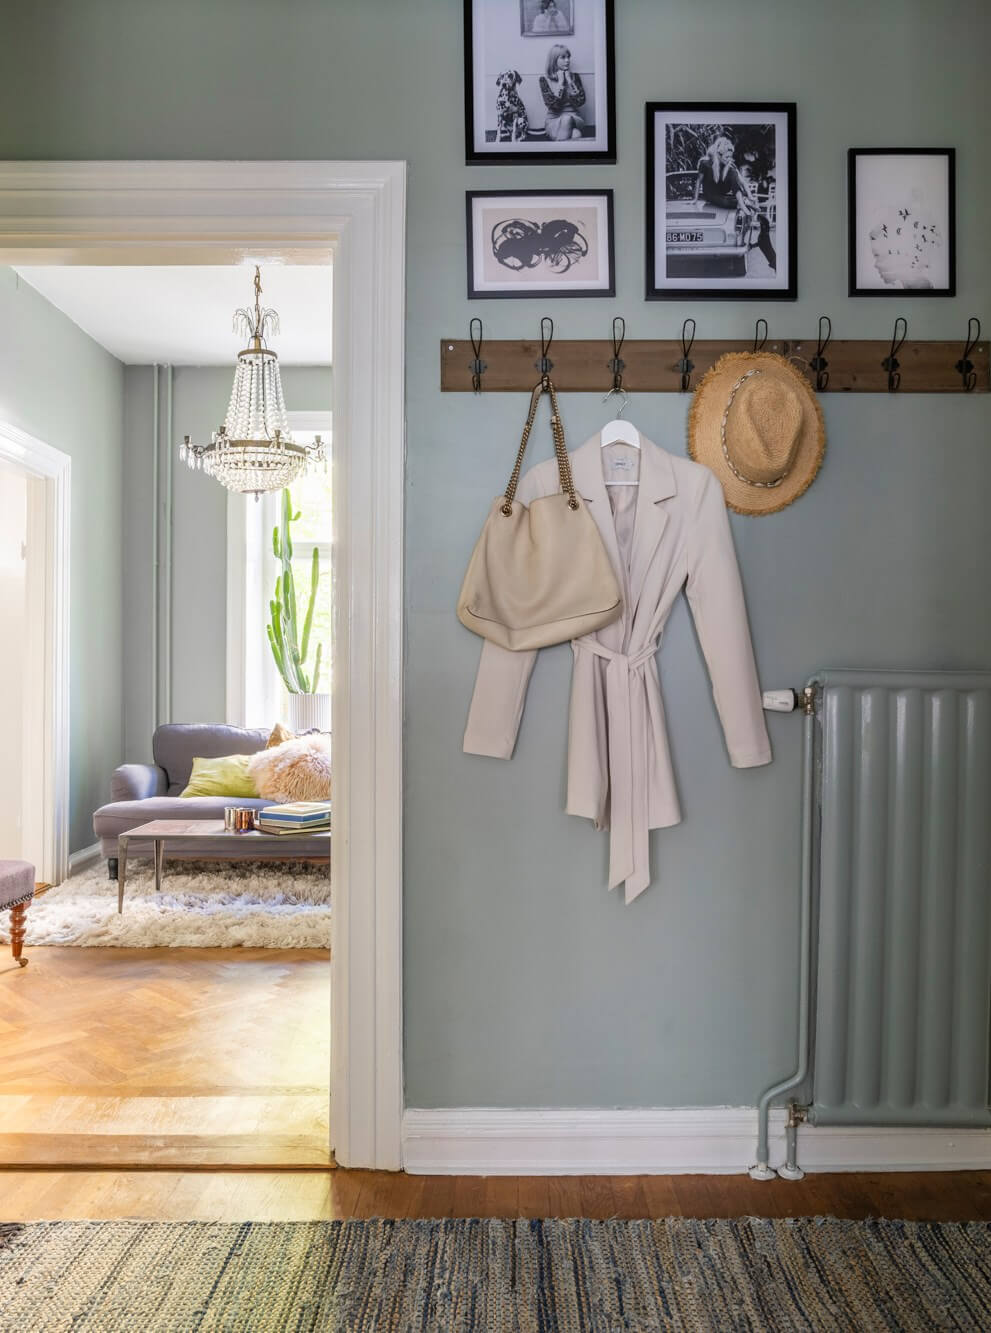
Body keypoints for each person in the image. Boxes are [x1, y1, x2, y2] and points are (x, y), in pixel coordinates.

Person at [696, 135, 777, 271]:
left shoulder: (730, 168)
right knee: (758, 226)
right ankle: (766, 243)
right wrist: (695, 198)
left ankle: (757, 222)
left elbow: (742, 183)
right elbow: (699, 183)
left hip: (730, 199)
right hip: (720, 199)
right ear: (719, 153)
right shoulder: (706, 164)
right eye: (726, 156)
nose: (729, 158)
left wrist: (750, 197)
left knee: (735, 176)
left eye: (729, 156)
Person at [538, 45, 586, 141]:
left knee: (567, 118)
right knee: (576, 135)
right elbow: (554, 106)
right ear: (554, 60)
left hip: (574, 118)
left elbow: (580, 102)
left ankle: (556, 151)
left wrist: (569, 81)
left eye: (568, 57)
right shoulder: (544, 80)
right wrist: (560, 83)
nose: (567, 60)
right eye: (563, 57)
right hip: (553, 120)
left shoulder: (575, 77)